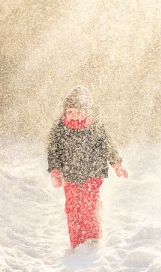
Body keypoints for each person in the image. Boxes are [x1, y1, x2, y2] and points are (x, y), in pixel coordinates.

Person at [47, 85, 128, 248]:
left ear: (86, 111)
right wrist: (55, 171)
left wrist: (116, 164)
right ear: (64, 112)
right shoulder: (59, 129)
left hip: (93, 172)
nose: (74, 116)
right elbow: (53, 151)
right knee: (72, 207)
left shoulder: (95, 126)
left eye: (78, 112)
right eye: (70, 112)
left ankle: (91, 240)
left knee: (87, 204)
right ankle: (76, 242)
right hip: (70, 174)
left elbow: (108, 146)